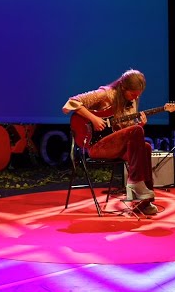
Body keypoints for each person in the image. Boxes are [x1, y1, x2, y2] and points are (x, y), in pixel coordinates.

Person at [62, 69, 158, 215]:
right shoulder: (106, 94)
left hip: (114, 144)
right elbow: (71, 103)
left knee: (145, 147)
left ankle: (145, 202)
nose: (136, 98)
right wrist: (94, 119)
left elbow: (124, 130)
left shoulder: (131, 101)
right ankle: (134, 183)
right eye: (133, 94)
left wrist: (139, 124)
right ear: (123, 87)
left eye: (138, 95)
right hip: (96, 145)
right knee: (137, 131)